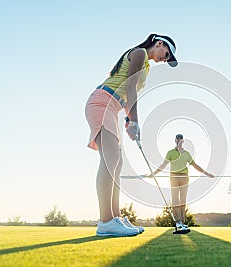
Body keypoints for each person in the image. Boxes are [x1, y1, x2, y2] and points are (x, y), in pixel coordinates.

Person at [85, 34, 178, 237]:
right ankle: (106, 221)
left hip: (112, 107)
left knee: (117, 164)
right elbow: (129, 87)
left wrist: (129, 119)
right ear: (159, 44)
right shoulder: (139, 54)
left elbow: (127, 96)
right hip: (102, 103)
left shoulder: (145, 65)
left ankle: (115, 218)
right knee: (111, 160)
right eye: (167, 54)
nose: (165, 59)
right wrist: (134, 121)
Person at [149, 134, 214, 232]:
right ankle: (178, 222)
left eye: (180, 138)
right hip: (174, 177)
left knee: (183, 200)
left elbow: (195, 165)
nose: (179, 140)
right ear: (175, 140)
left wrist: (206, 173)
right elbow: (163, 165)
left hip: (184, 177)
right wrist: (154, 173)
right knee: (175, 200)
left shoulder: (187, 154)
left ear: (183, 141)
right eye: (177, 138)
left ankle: (183, 223)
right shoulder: (170, 152)